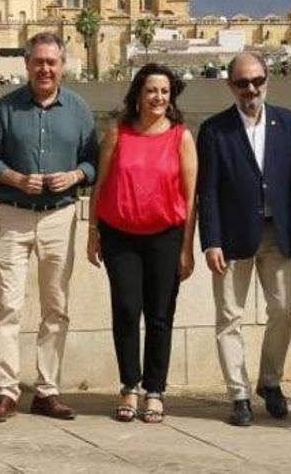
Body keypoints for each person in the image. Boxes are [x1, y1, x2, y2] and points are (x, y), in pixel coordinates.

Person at [0, 32, 97, 423]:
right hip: (13, 214)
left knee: (56, 307)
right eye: (38, 62)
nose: (45, 68)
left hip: (60, 216)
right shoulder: (5, 108)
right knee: (8, 305)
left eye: (52, 62)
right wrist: (14, 177)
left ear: (62, 65)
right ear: (27, 64)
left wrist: (76, 175)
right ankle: (5, 391)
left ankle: (46, 390)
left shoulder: (78, 109)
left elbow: (95, 161)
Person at [196, 52, 291, 427]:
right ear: (230, 85)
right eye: (243, 83)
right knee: (229, 317)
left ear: (268, 80)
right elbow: (208, 191)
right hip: (232, 237)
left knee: (284, 309)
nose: (251, 89)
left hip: (279, 234)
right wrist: (210, 240)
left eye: (257, 81)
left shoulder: (289, 124)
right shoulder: (215, 130)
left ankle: (270, 380)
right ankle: (239, 394)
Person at [86, 63, 197, 424]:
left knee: (160, 314)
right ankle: (129, 386)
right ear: (138, 94)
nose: (159, 97)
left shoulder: (181, 137)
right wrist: (92, 233)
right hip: (120, 236)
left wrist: (186, 247)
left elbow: (191, 197)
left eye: (165, 91)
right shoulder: (117, 134)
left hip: (165, 236)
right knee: (127, 310)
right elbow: (99, 186)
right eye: (152, 90)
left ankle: (155, 390)